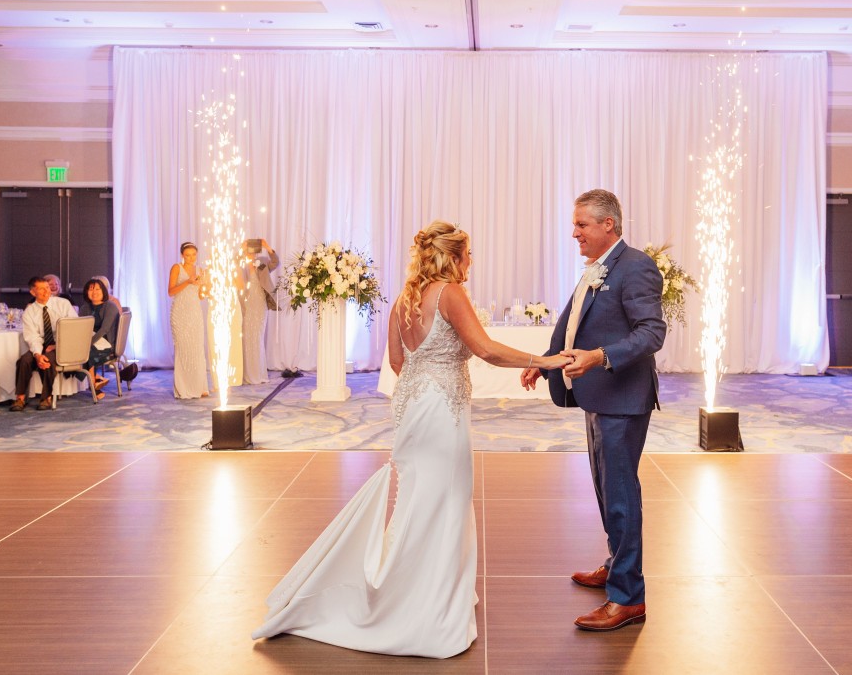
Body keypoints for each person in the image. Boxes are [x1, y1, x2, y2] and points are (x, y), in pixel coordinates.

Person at [253, 221, 572, 658]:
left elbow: (399, 362)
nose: (471, 262)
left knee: (419, 499)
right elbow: (485, 349)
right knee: (445, 500)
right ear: (452, 257)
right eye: (468, 255)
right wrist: (545, 359)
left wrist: (429, 383)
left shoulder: (403, 300)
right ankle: (425, 601)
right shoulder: (449, 293)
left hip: (413, 408)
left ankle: (413, 588)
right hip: (442, 412)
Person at [521, 189, 666, 632]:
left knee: (621, 496)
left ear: (609, 225)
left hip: (622, 399)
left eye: (582, 224)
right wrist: (545, 363)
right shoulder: (598, 269)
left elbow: (652, 332)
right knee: (606, 491)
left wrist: (600, 356)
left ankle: (628, 598)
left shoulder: (636, 265)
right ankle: (616, 564)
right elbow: (572, 321)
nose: (575, 232)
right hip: (598, 397)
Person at [13, 275, 78, 411]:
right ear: (33, 292)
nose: (46, 291)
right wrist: (37, 355)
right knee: (24, 360)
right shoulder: (29, 312)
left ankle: (46, 397)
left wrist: (58, 345)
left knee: (48, 359)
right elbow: (32, 337)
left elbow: (74, 327)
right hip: (41, 345)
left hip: (61, 345)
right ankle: (20, 398)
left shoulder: (63, 304)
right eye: (41, 289)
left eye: (47, 288)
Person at [169, 242, 209, 399]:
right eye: (187, 255)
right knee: (183, 349)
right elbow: (170, 291)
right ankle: (183, 387)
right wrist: (188, 281)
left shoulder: (201, 271)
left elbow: (201, 296)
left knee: (197, 349)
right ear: (182, 255)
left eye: (193, 254)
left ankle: (199, 386)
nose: (191, 258)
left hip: (195, 313)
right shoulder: (176, 268)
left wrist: (205, 287)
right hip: (179, 312)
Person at [241, 238, 279, 384]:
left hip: (260, 302)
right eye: (248, 250)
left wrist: (267, 247)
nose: (251, 253)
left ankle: (257, 373)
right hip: (245, 302)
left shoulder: (262, 262)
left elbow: (276, 262)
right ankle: (247, 373)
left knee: (257, 336)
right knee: (246, 336)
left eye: (253, 250)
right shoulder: (241, 264)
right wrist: (240, 247)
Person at [81, 278, 119, 395]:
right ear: (87, 292)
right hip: (89, 345)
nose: (94, 292)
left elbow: (104, 329)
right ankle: (95, 379)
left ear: (103, 291)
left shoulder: (110, 306)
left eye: (97, 289)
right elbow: (80, 329)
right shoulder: (84, 308)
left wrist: (88, 343)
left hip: (107, 347)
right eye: (91, 289)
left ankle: (93, 384)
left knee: (84, 353)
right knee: (76, 353)